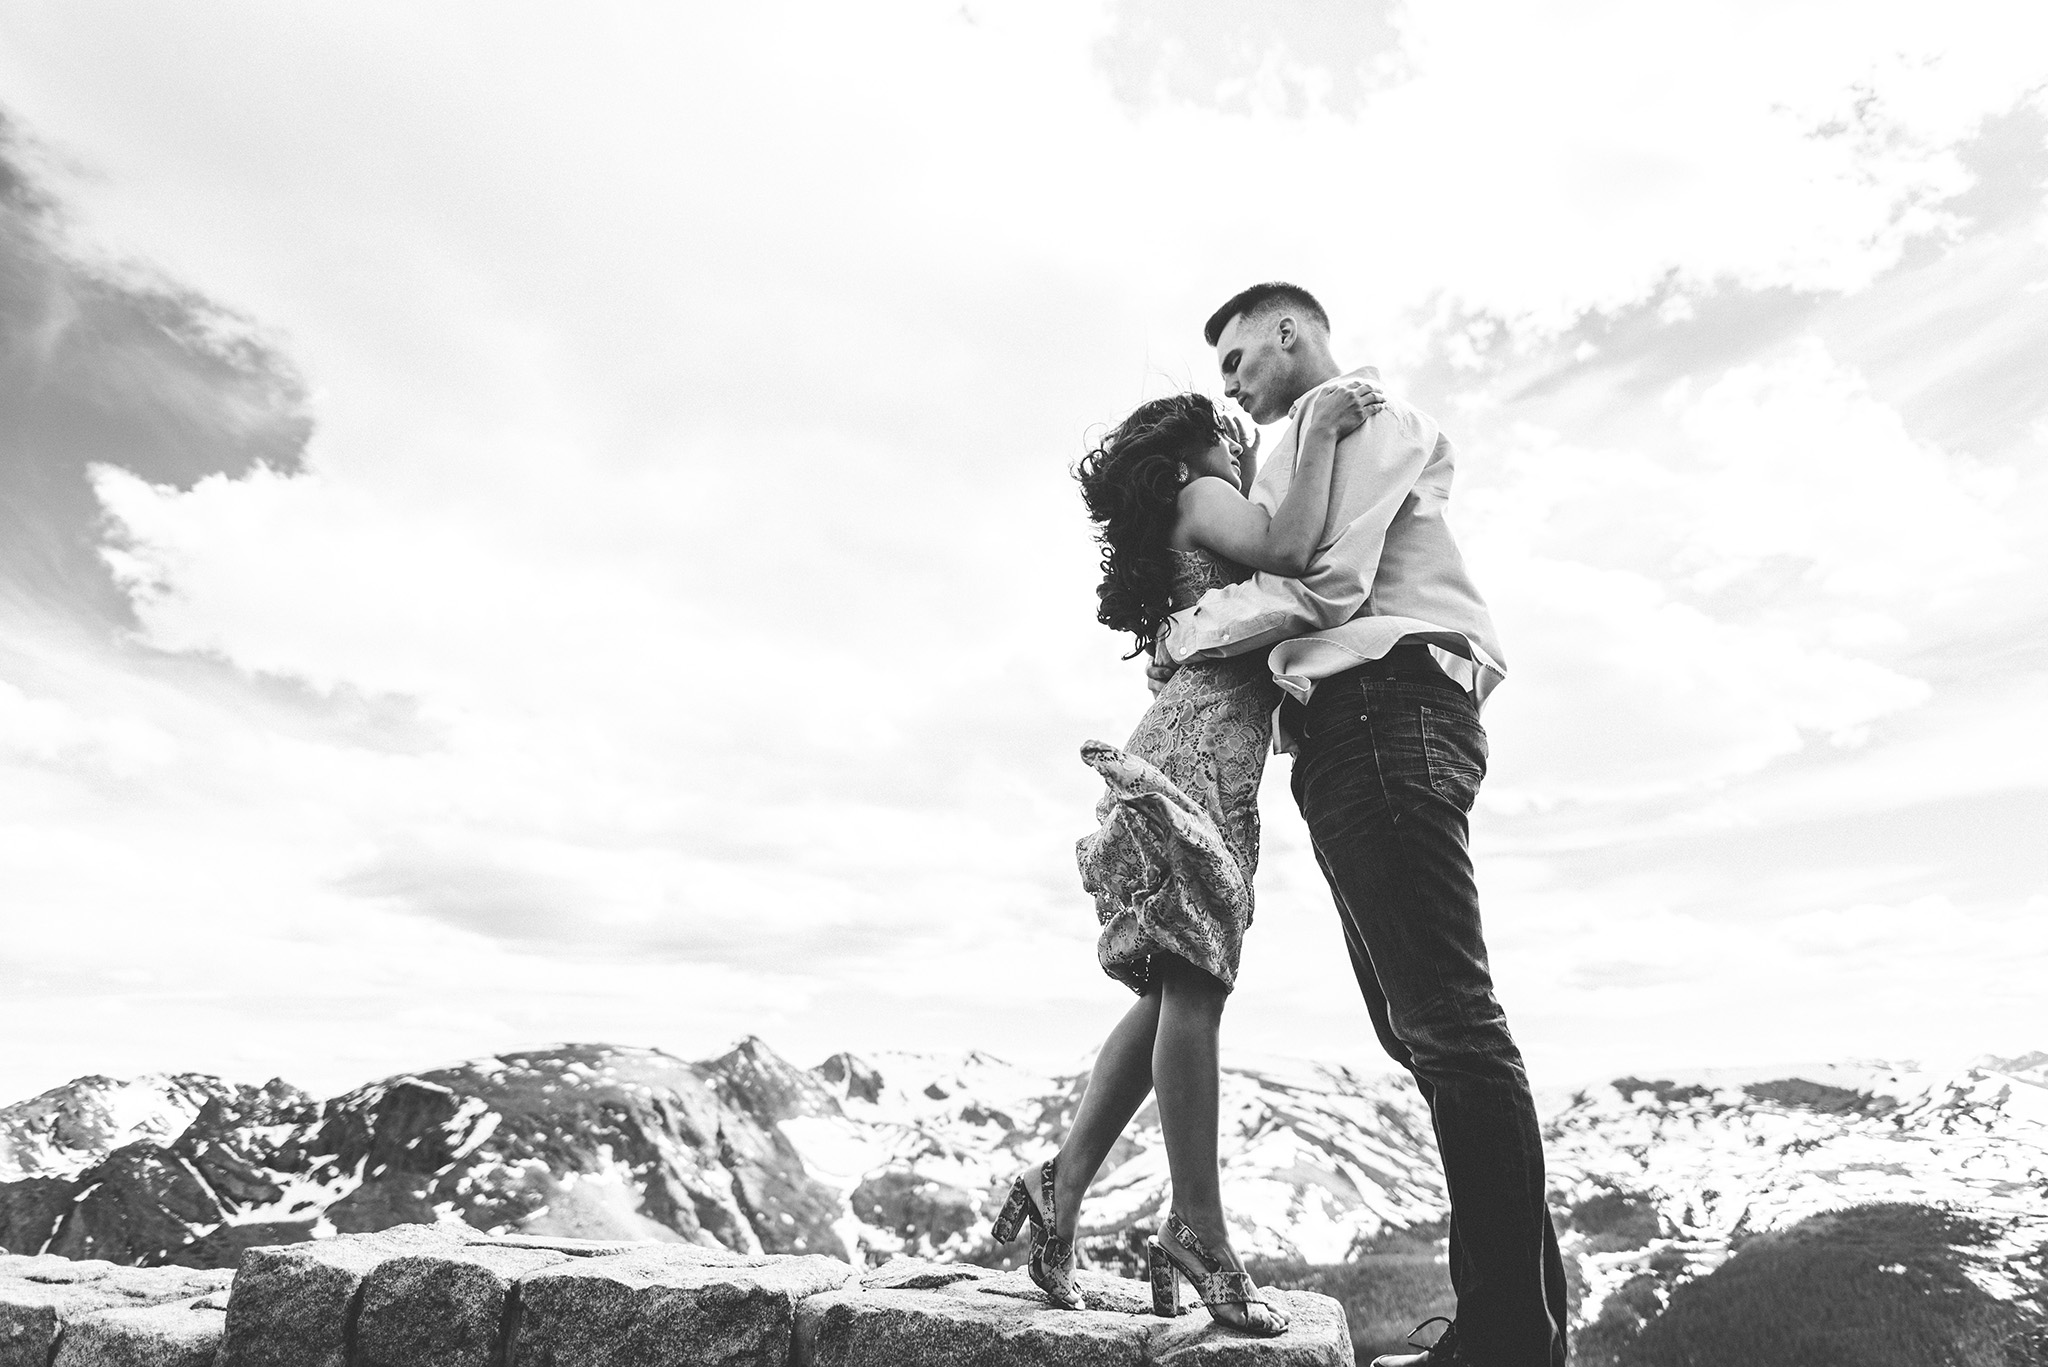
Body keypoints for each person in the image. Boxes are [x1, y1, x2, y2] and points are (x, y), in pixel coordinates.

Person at [1154, 282, 1568, 1367]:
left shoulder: (1353, 415)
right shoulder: (1312, 435)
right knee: (1422, 1027)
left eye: (1239, 357)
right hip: (1359, 726)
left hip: (1386, 706)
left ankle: (1503, 1341)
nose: (1232, 385)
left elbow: (1327, 586)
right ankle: (1519, 1326)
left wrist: (1191, 630)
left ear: (1287, 332)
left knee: (1450, 1025)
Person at [988, 380, 1381, 1335]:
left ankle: (1058, 1183)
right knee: (1194, 982)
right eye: (1230, 436)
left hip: (1197, 747)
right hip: (1201, 752)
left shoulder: (1179, 526)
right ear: (1193, 452)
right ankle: (1199, 1227)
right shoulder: (1202, 499)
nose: (1244, 447)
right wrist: (1323, 425)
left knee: (1173, 985)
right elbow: (1290, 548)